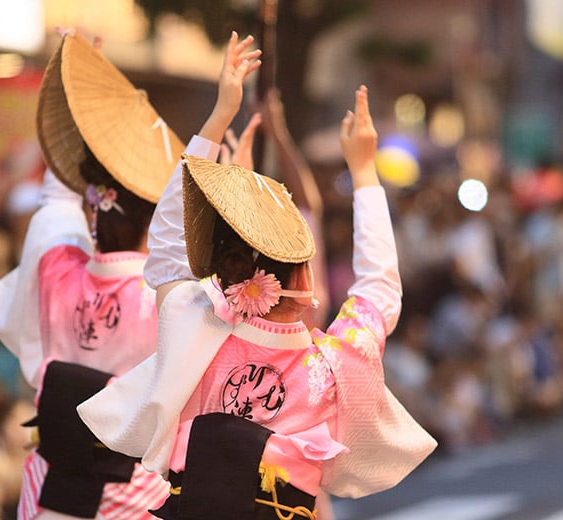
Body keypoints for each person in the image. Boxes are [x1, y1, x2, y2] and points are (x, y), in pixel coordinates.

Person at [77, 84, 437, 519]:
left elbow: (168, 248)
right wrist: (363, 172)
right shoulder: (331, 364)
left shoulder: (197, 332)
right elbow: (379, 287)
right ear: (305, 276)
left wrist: (218, 119)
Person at [0, 30, 261, 519]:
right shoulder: (161, 299)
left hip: (46, 492)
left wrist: (81, 98)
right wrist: (226, 154)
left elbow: (57, 197)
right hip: (129, 499)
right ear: (154, 225)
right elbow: (173, 236)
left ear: (94, 211)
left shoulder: (56, 267)